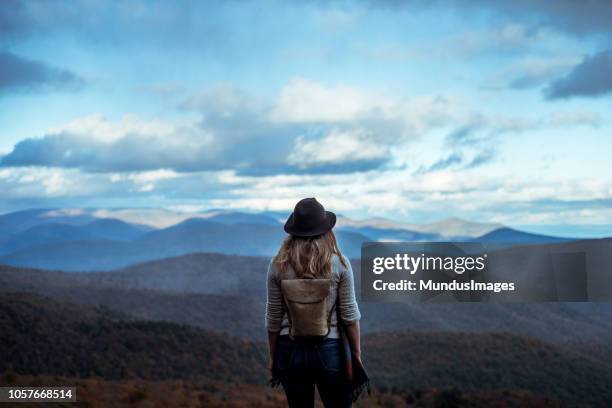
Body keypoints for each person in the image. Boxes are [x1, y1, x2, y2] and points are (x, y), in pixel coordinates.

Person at [266, 197, 362, 407]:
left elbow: (273, 317)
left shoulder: (277, 265)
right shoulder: (340, 264)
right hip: (330, 350)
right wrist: (356, 355)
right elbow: (349, 315)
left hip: (289, 351)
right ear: (326, 231)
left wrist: (273, 357)